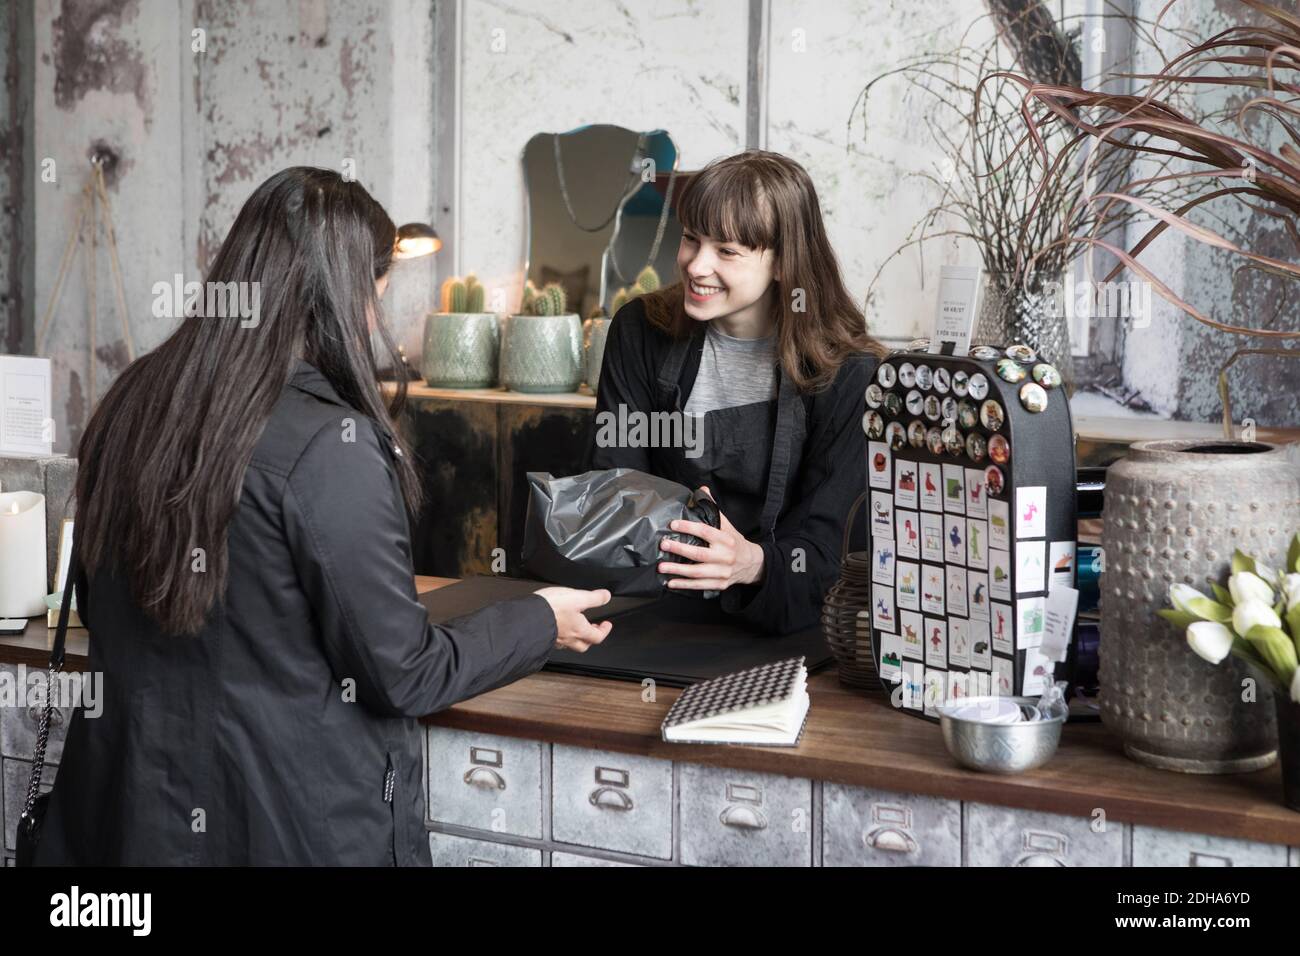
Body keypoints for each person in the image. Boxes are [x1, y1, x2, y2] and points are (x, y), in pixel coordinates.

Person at [34, 167, 611, 866]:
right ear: (342, 297)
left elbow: (105, 604)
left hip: (124, 830)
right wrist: (540, 619)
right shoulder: (329, 448)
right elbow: (404, 674)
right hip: (285, 833)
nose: (375, 323)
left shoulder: (130, 401)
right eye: (374, 297)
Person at [585, 150, 887, 634]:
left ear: (785, 263)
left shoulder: (849, 373)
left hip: (790, 626)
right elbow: (614, 487)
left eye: (727, 251)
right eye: (691, 239)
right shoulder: (639, 332)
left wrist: (750, 563)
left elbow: (832, 552)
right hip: (656, 613)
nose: (696, 265)